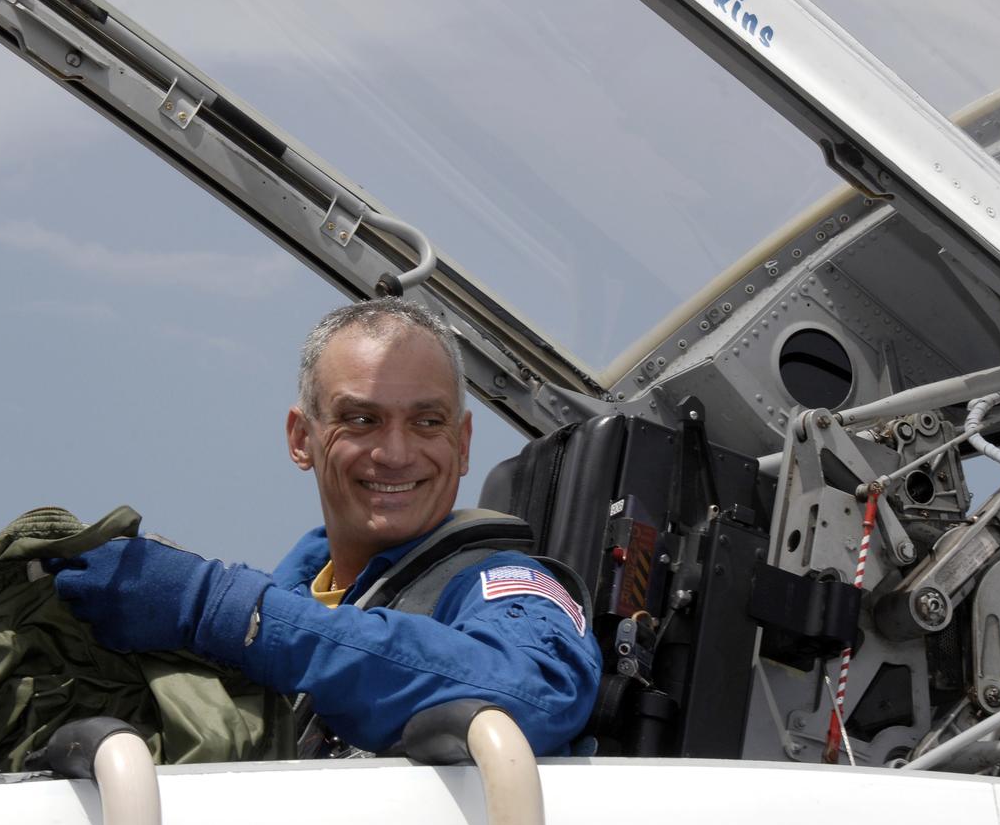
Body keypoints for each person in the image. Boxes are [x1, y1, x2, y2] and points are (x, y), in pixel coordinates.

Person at [51, 298, 601, 755]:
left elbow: (539, 692)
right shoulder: (294, 601)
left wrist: (226, 611)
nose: (394, 452)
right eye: (362, 420)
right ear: (300, 439)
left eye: (427, 422)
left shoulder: (507, 588)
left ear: (462, 445)